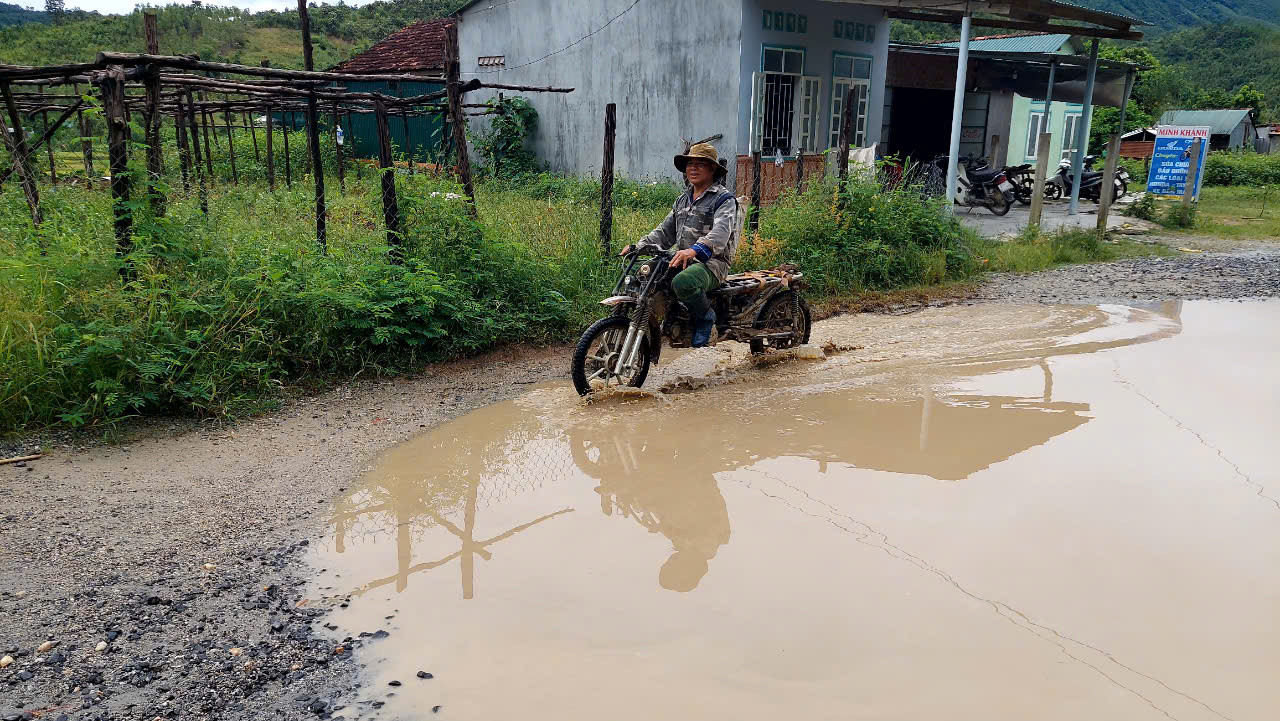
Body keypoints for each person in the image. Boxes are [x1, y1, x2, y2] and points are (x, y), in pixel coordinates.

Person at [621, 143, 738, 347]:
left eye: (700, 164)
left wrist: (695, 250)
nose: (693, 168)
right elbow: (665, 232)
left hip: (712, 263)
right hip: (682, 258)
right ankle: (671, 317)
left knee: (683, 282)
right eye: (690, 164)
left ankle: (705, 319)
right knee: (644, 274)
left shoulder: (724, 199)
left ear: (712, 169)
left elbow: (721, 233)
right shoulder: (682, 200)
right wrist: (637, 246)